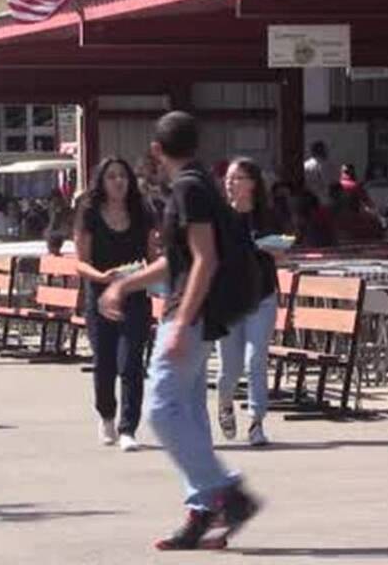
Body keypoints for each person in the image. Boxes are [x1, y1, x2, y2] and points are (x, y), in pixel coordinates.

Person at [102, 111, 259, 550]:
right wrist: (125, 284)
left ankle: (227, 493)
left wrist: (182, 321)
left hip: (188, 315)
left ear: (156, 150)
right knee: (187, 414)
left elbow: (203, 259)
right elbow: (181, 260)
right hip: (189, 313)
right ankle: (202, 510)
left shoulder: (190, 189)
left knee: (161, 410)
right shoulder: (194, 185)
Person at [73, 157, 155, 453]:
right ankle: (106, 414)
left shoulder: (142, 211)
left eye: (123, 176)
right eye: (112, 177)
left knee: (131, 362)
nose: (118, 181)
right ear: (102, 182)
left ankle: (128, 428)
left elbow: (153, 255)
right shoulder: (89, 213)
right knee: (104, 363)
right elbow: (80, 263)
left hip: (134, 294)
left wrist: (151, 271)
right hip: (100, 296)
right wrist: (102, 277)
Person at [218, 158, 281, 448]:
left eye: (237, 178)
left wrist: (274, 248)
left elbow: (283, 252)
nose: (230, 183)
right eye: (228, 178)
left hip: (262, 296)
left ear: (252, 183)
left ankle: (257, 422)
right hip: (230, 300)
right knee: (229, 368)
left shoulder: (267, 216)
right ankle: (225, 403)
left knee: (256, 358)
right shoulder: (220, 218)